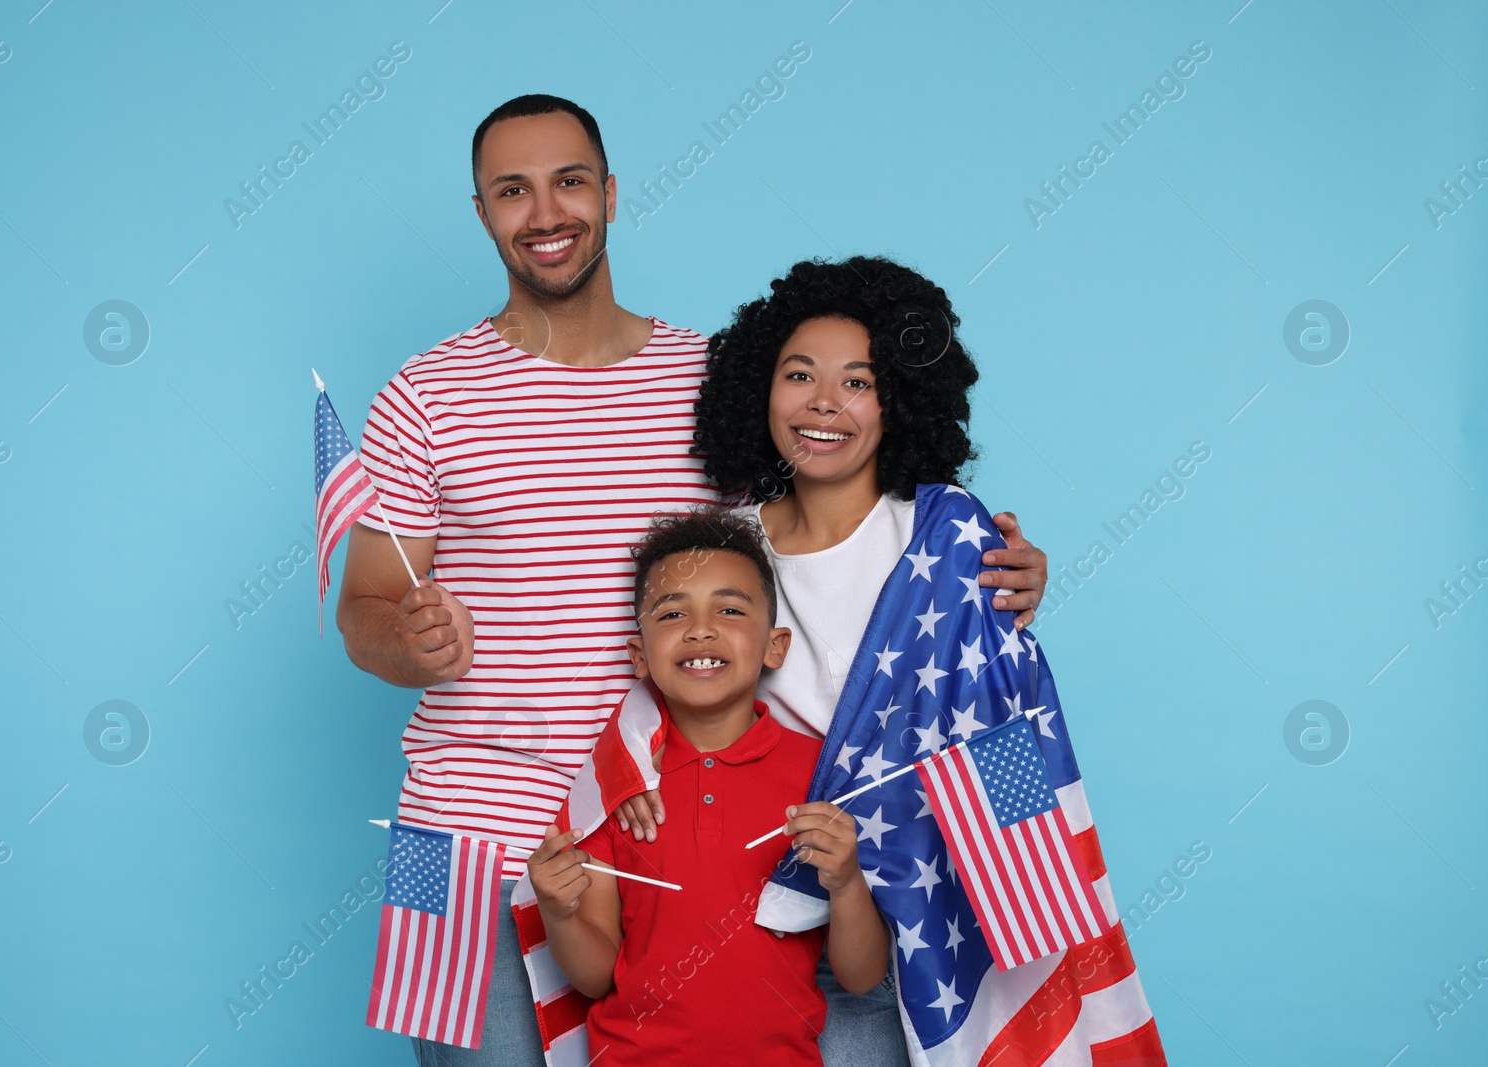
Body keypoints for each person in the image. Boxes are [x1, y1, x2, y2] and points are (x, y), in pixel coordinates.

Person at [334, 94, 1048, 1066]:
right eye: (512, 190)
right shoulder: (420, 396)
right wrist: (400, 636)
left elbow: (832, 528)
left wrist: (978, 577)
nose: (546, 212)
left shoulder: (711, 382)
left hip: (707, 839)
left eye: (569, 181)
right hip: (473, 838)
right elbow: (362, 606)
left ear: (612, 194)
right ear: (481, 211)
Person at [609, 255, 1162, 1063]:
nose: (824, 403)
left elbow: (1007, 713)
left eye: (858, 382)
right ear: (759, 388)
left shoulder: (946, 533)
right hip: (785, 913)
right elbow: (662, 680)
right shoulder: (734, 551)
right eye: (799, 374)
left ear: (899, 398)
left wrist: (1021, 593)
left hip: (937, 897)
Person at [526, 508, 889, 1067]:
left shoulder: (823, 778)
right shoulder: (614, 786)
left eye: (729, 609)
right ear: (639, 655)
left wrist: (845, 882)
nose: (700, 629)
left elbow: (861, 976)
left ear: (775, 646)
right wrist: (558, 910)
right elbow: (597, 977)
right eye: (672, 613)